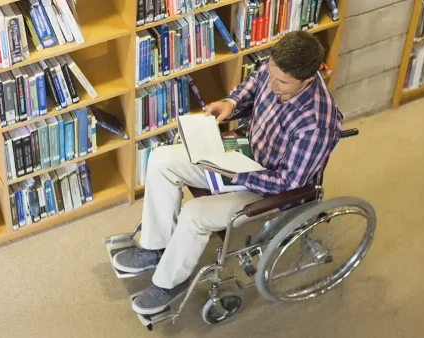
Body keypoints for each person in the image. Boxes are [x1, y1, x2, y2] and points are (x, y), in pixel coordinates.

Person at [113, 31, 343, 315]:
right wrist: (231, 103)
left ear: (308, 80)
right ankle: (155, 247)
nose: (271, 84)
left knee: (195, 214)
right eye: (270, 73)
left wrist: (235, 175)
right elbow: (254, 83)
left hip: (268, 186)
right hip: (243, 154)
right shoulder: (279, 69)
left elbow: (289, 184)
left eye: (281, 82)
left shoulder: (317, 122)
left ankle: (169, 282)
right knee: (160, 159)